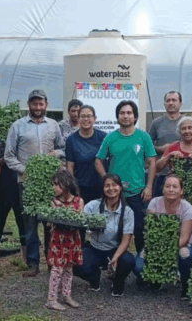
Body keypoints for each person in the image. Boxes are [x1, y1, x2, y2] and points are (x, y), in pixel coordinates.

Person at [4, 89, 65, 277]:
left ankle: (50, 260)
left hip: (49, 184)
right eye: (34, 103)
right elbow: (8, 156)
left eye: (41, 103)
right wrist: (25, 170)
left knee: (50, 222)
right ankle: (32, 263)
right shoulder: (18, 126)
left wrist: (56, 153)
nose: (37, 107)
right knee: (30, 224)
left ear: (46, 104)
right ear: (29, 104)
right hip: (27, 184)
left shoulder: (53, 125)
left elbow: (62, 148)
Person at [95, 100, 156, 255]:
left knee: (139, 230)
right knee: (115, 230)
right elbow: (98, 161)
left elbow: (152, 162)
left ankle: (141, 265)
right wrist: (107, 180)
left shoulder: (144, 137)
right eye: (122, 113)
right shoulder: (110, 138)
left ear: (135, 116)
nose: (125, 116)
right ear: (117, 117)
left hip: (138, 192)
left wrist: (149, 187)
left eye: (129, 113)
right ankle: (114, 263)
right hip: (116, 194)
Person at [74, 174, 136, 297]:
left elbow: (126, 240)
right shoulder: (93, 206)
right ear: (102, 188)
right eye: (107, 185)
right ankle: (94, 278)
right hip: (94, 247)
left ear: (120, 188)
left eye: (114, 185)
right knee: (75, 263)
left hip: (114, 249)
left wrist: (116, 257)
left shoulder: (127, 211)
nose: (111, 188)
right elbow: (81, 221)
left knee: (128, 260)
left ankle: (118, 282)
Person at [136, 174, 192, 298]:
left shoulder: (187, 208)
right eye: (167, 186)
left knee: (186, 257)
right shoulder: (154, 202)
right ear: (162, 188)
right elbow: (150, 231)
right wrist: (158, 248)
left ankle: (186, 286)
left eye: (175, 187)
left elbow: (184, 238)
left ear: (181, 190)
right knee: (139, 268)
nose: (171, 189)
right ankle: (156, 279)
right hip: (156, 244)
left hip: (181, 244)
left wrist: (166, 251)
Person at [45, 170, 85, 311]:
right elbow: (51, 222)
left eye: (57, 185)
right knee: (57, 268)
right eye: (53, 185)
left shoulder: (78, 201)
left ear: (66, 184)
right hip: (59, 239)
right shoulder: (54, 202)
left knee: (69, 268)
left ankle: (67, 296)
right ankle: (52, 299)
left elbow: (79, 219)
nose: (54, 188)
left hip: (72, 239)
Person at [65, 105, 107, 205]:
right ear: (78, 119)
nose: (86, 119)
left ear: (94, 119)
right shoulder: (71, 140)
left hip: (101, 187)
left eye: (89, 116)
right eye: (83, 116)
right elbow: (70, 166)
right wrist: (72, 188)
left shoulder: (103, 137)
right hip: (80, 188)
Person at [148, 91, 184, 196]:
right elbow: (148, 147)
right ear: (164, 104)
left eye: (174, 100)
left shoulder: (187, 122)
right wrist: (161, 149)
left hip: (183, 174)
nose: (171, 103)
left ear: (180, 104)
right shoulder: (156, 123)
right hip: (161, 174)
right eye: (168, 100)